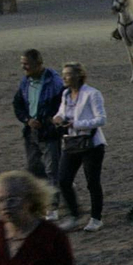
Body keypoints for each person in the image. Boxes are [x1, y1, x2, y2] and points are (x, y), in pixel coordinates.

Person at [52, 62, 107, 233]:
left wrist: (76, 124)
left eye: (68, 74)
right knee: (63, 179)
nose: (64, 77)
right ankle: (74, 215)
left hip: (91, 145)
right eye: (64, 74)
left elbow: (101, 119)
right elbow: (61, 113)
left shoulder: (92, 94)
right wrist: (58, 118)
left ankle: (96, 218)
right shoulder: (66, 94)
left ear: (79, 75)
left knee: (92, 182)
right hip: (72, 143)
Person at [13, 49, 64, 219]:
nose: (23, 68)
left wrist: (50, 120)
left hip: (49, 133)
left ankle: (53, 206)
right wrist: (27, 120)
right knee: (34, 168)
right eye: (22, 64)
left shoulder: (54, 83)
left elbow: (62, 105)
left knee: (52, 170)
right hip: (31, 132)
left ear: (38, 64)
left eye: (26, 64)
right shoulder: (25, 82)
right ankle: (42, 203)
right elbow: (17, 104)